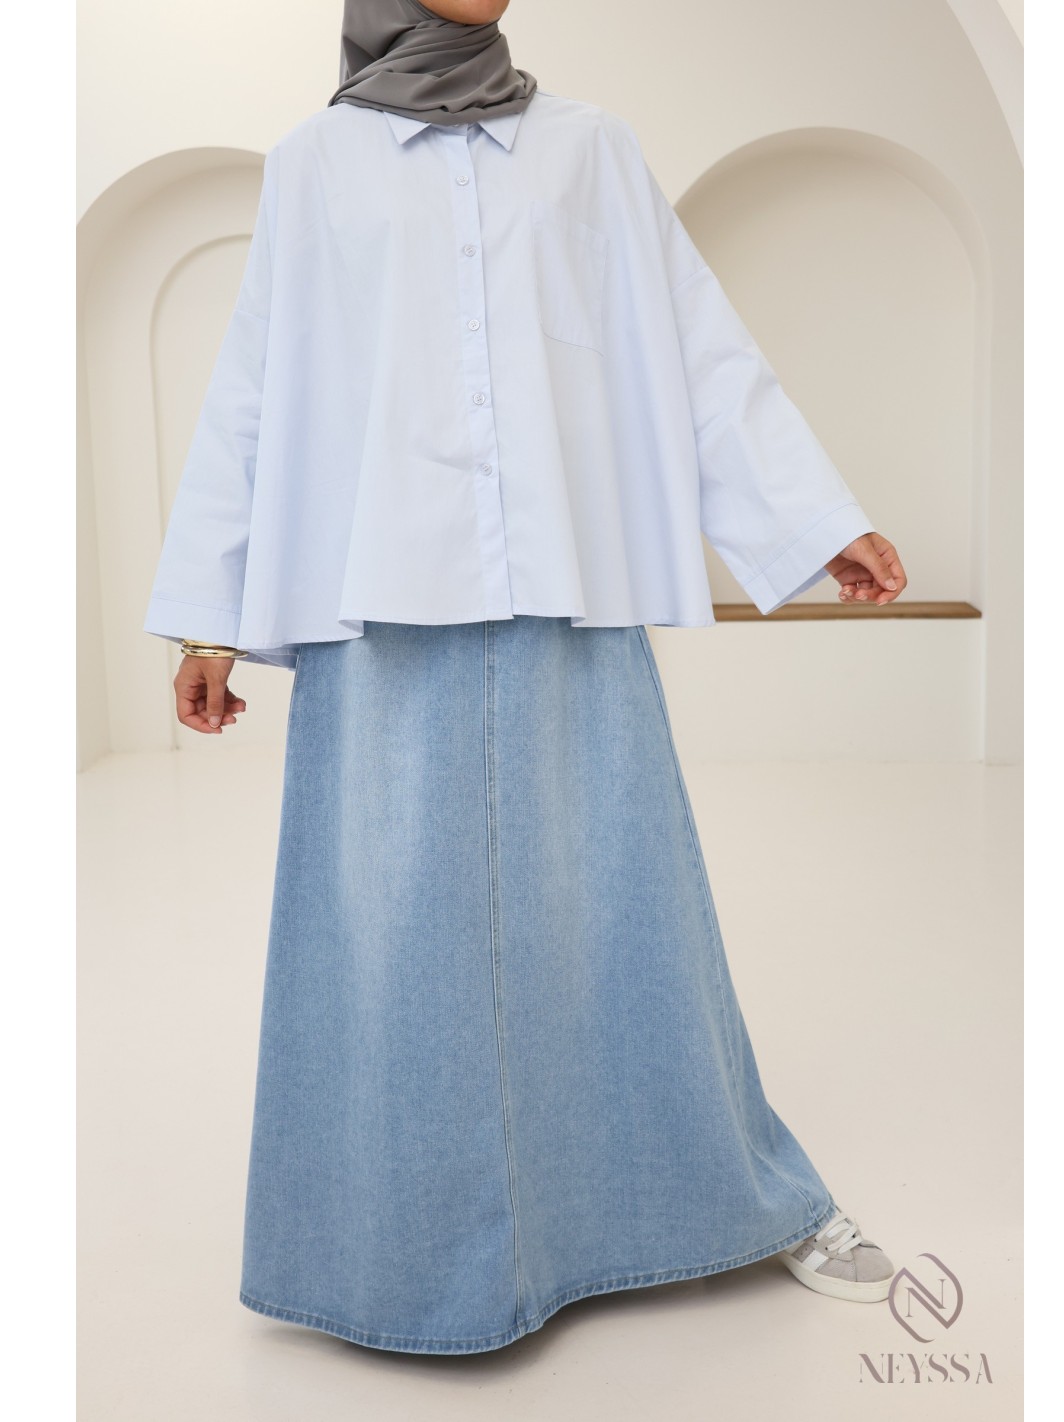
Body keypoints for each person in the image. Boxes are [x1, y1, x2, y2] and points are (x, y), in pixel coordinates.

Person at [144, 0, 909, 1356]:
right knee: (384, 936)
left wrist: (811, 521)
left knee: (621, 905)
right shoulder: (315, 164)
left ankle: (704, 1207)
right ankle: (390, 1255)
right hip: (378, 604)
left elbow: (694, 342)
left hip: (567, 584)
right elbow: (256, 381)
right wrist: (207, 618)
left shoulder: (592, 149)